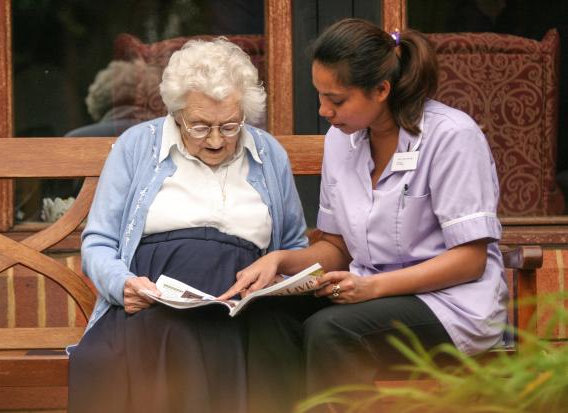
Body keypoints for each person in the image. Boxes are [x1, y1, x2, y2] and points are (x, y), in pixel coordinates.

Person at [220, 18, 507, 412]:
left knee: (332, 330)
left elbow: (470, 261)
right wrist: (280, 260)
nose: (324, 111)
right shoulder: (341, 141)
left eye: (336, 100)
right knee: (267, 316)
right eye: (320, 96)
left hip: (452, 304)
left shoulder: (452, 136)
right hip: (369, 293)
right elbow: (337, 247)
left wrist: (372, 288)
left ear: (381, 90)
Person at [68, 37, 308, 413]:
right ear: (176, 114)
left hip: (242, 311)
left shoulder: (268, 153)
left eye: (229, 126)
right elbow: (98, 242)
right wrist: (122, 284)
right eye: (199, 126)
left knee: (270, 341)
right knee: (173, 334)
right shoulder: (136, 146)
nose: (215, 140)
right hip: (155, 308)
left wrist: (277, 272)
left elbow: (295, 245)